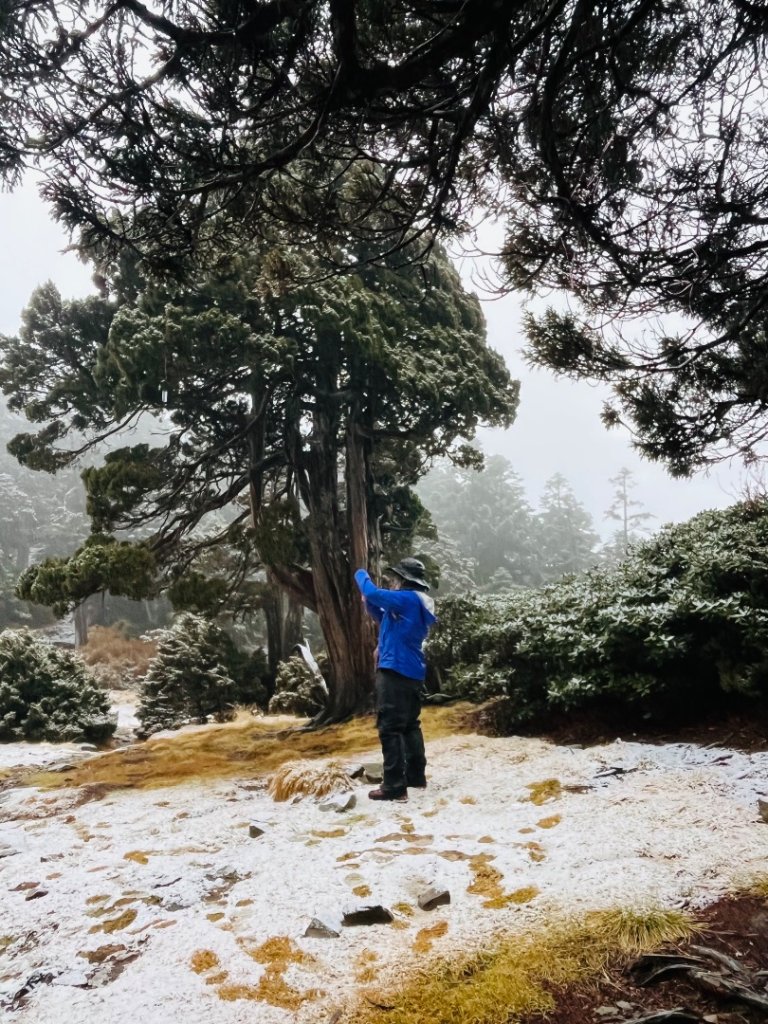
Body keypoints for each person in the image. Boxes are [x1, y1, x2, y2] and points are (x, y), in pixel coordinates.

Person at [354, 558, 437, 802]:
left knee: (389, 728)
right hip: (412, 671)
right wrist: (369, 603)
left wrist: (360, 573)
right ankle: (415, 777)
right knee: (410, 724)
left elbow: (370, 590)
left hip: (394, 669)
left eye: (394, 579)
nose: (392, 582)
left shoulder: (407, 598)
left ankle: (394, 786)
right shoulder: (411, 605)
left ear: (404, 580)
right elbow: (381, 615)